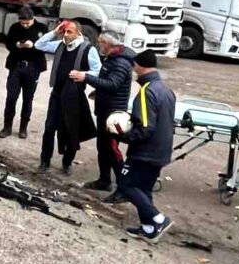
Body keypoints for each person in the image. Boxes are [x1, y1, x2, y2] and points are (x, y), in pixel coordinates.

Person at [118, 50, 176, 243]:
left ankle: (159, 219)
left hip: (145, 151)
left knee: (126, 185)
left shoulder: (146, 92)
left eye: (134, 65)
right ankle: (148, 228)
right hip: (162, 150)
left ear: (140, 66)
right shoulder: (166, 90)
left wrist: (124, 136)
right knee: (145, 189)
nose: (133, 69)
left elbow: (144, 127)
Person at [71, 31, 135, 203]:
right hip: (104, 110)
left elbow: (113, 85)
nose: (98, 45)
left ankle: (124, 188)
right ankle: (104, 180)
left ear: (108, 44)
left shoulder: (121, 63)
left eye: (100, 42)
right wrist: (97, 92)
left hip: (113, 116)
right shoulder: (111, 59)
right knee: (102, 148)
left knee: (112, 151)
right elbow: (108, 82)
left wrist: (86, 77)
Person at [36, 20, 100, 174]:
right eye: (64, 31)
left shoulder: (87, 49)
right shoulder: (60, 45)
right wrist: (54, 32)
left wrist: (83, 75)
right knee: (50, 128)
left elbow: (98, 70)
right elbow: (39, 45)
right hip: (57, 94)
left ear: (78, 33)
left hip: (73, 97)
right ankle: (45, 160)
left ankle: (67, 161)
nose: (65, 35)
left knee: (71, 129)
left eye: (69, 32)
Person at [0, 6, 48, 139]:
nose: (25, 25)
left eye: (28, 23)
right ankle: (7, 127)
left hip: (33, 68)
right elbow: (8, 44)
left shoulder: (41, 29)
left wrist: (34, 45)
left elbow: (47, 46)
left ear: (33, 19)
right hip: (16, 66)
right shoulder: (15, 28)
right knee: (11, 97)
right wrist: (17, 45)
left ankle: (23, 128)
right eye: (23, 23)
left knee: (28, 98)